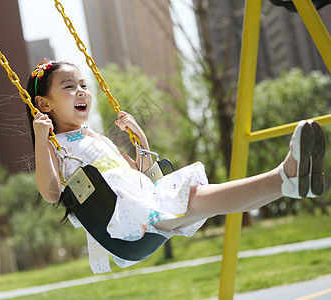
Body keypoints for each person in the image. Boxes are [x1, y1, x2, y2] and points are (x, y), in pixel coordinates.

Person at [28, 60, 326, 273]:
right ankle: (286, 174)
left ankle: (288, 182)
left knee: (207, 198)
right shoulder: (58, 147)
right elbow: (51, 193)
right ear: (44, 104)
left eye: (83, 84)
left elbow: (138, 172)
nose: (81, 91)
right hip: (123, 219)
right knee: (199, 198)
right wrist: (42, 139)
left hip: (145, 200)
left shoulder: (100, 138)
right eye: (69, 86)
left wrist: (139, 137)